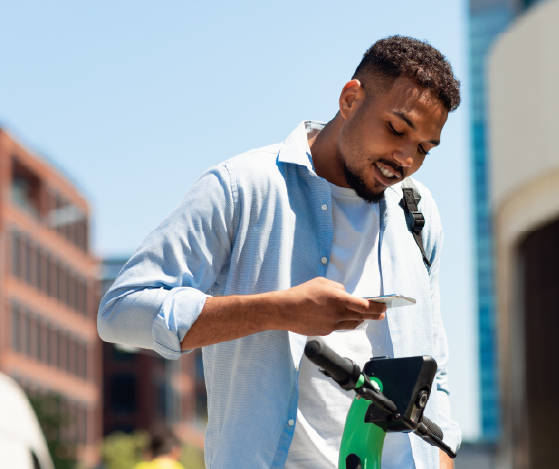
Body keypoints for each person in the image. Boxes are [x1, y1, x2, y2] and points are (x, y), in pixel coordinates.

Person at [99, 36, 461, 468]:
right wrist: (276, 311)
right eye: (396, 130)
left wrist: (441, 454)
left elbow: (434, 368)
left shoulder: (417, 213)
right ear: (350, 99)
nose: (405, 158)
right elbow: (120, 313)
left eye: (423, 148)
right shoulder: (242, 188)